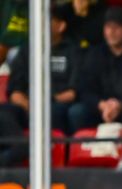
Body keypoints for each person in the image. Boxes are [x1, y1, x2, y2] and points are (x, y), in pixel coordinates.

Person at [3, 3, 79, 134]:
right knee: (4, 112)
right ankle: (16, 150)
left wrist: (50, 101)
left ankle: (55, 150)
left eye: (47, 20)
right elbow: (14, 90)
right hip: (27, 106)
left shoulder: (73, 51)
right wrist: (30, 106)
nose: (41, 24)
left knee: (56, 112)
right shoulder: (26, 50)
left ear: (61, 26)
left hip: (57, 103)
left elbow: (74, 92)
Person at [68, 5, 122, 132]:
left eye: (116, 27)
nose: (111, 32)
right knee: (77, 112)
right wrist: (102, 105)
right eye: (108, 27)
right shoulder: (95, 54)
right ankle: (84, 150)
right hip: (101, 107)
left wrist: (120, 105)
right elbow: (85, 89)